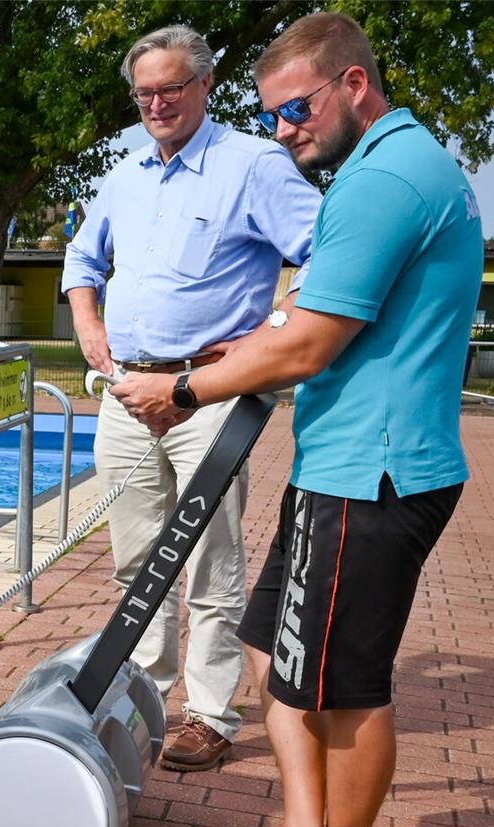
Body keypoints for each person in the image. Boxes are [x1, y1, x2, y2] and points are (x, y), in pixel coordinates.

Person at [111, 12, 482, 827]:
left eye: (296, 108)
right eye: (273, 114)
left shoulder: (383, 178)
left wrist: (187, 392)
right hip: (347, 465)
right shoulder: (401, 166)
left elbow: (310, 342)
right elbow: (315, 309)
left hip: (375, 471)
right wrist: (243, 345)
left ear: (353, 83)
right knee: (280, 664)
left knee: (346, 691)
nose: (283, 131)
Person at [62, 24, 321, 772]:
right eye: (143, 92)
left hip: (207, 396)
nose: (156, 103)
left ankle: (210, 714)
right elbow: (83, 256)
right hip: (126, 392)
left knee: (209, 559)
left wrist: (263, 339)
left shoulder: (255, 165)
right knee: (135, 559)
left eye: (171, 88)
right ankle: (144, 693)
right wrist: (86, 317)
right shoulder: (125, 169)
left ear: (206, 85)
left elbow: (325, 257)